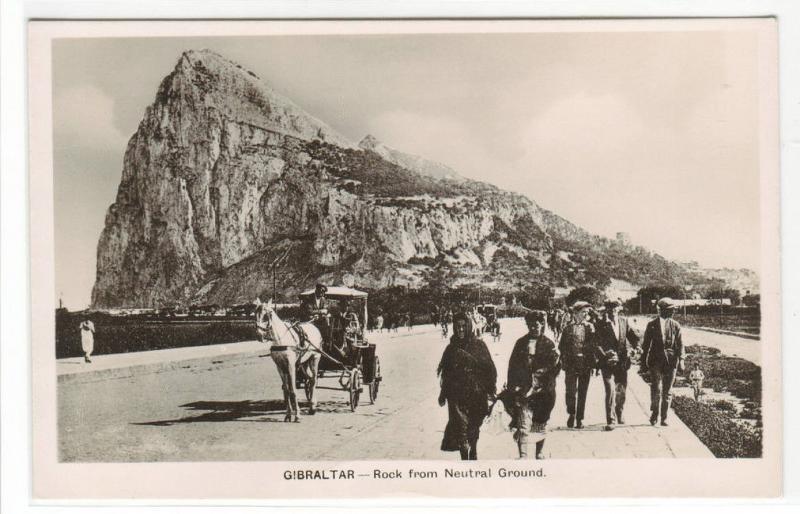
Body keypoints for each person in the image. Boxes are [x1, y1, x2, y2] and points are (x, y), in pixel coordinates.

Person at [437, 312, 497, 460]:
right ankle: (465, 457)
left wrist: (490, 390)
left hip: (476, 394)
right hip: (456, 395)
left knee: (474, 426)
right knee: (460, 428)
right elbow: (446, 374)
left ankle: (474, 449)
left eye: (464, 326)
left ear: (469, 326)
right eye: (457, 327)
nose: (460, 330)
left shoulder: (479, 345)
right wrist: (443, 394)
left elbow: (490, 369)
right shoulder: (451, 348)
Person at [506, 310, 561, 459]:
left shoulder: (549, 344)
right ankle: (523, 455)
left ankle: (539, 452)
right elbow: (512, 366)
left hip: (543, 391)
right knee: (522, 422)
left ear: (542, 324)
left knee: (540, 422)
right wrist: (512, 386)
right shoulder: (520, 343)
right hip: (523, 390)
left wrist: (553, 365)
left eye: (536, 325)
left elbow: (555, 369)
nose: (533, 328)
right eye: (530, 325)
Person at [594, 299, 640, 429]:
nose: (613, 310)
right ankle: (611, 419)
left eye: (615, 308)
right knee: (610, 390)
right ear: (606, 309)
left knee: (622, 390)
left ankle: (619, 411)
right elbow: (596, 344)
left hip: (622, 362)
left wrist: (637, 346)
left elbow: (632, 337)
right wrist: (604, 355)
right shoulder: (600, 324)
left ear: (619, 309)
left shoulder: (624, 321)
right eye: (610, 308)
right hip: (607, 362)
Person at [640, 297, 685, 426]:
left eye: (673, 310)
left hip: (671, 362)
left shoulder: (676, 325)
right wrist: (643, 363)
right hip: (655, 361)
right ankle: (654, 414)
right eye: (670, 310)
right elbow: (646, 345)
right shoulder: (652, 325)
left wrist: (681, 360)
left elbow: (681, 344)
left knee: (668, 390)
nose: (673, 312)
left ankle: (664, 417)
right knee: (656, 389)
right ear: (661, 311)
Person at [558, 301, 596, 429]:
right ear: (575, 313)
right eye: (583, 312)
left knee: (582, 392)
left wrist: (593, 363)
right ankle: (571, 413)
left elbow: (594, 346)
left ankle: (580, 418)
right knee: (570, 391)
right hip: (571, 364)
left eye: (587, 312)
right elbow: (561, 346)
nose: (585, 315)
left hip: (585, 364)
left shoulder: (590, 327)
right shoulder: (567, 328)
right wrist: (564, 359)